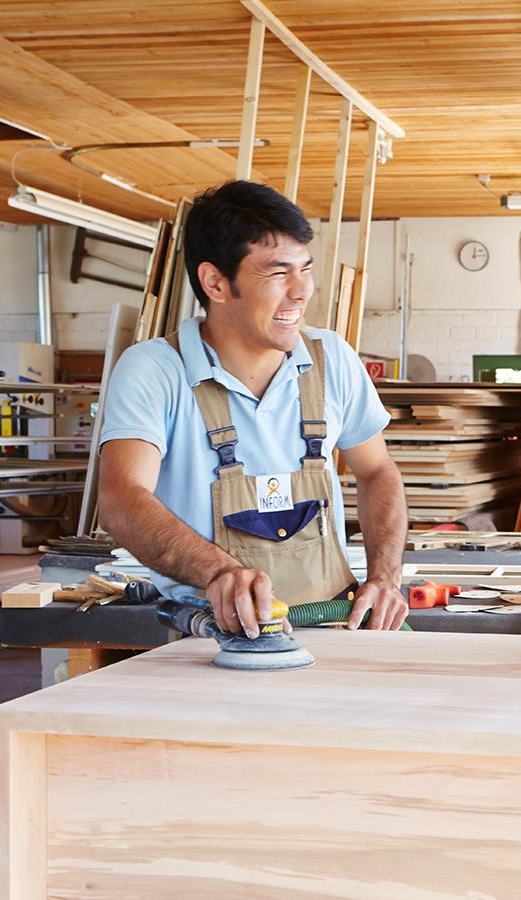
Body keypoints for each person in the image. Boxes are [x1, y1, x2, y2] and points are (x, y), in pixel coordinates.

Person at [97, 180, 409, 637]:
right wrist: (220, 574)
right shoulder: (155, 370)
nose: (301, 291)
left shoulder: (331, 359)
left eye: (305, 269)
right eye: (278, 273)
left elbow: (377, 470)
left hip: (332, 622)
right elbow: (122, 499)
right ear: (215, 282)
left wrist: (385, 578)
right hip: (209, 633)